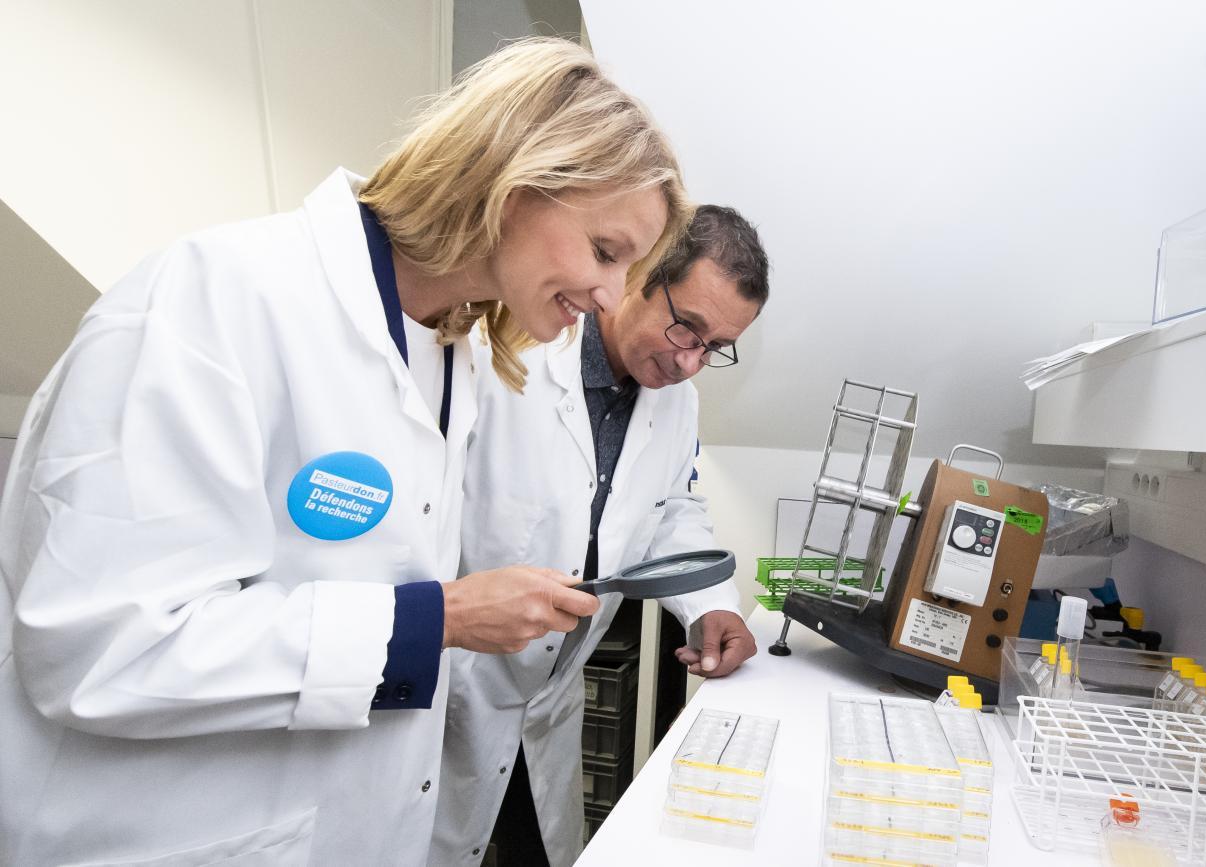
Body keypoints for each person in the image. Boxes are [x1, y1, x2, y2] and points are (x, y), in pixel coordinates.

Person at [0, 38, 691, 866]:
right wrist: (437, 619)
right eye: (607, 252)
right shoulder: (214, 299)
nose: (614, 296)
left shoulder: (452, 356)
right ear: (515, 186)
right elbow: (103, 647)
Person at [432, 205, 771, 866]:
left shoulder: (676, 399)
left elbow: (671, 507)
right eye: (687, 327)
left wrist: (712, 604)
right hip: (454, 691)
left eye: (714, 347)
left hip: (550, 699)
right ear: (638, 273)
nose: (690, 361)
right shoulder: (508, 350)